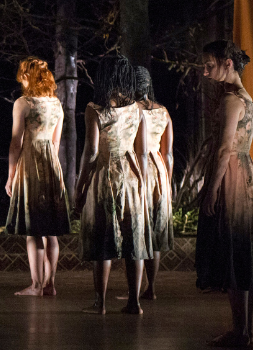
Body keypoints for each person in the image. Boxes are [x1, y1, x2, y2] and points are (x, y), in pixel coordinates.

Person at [195, 39, 253, 348]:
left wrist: (210, 191)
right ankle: (244, 330)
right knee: (245, 250)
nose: (205, 71)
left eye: (210, 65)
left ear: (227, 63)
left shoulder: (231, 100)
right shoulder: (244, 97)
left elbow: (225, 148)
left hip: (233, 178)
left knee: (236, 249)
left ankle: (241, 331)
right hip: (246, 174)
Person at [72, 54, 152, 315]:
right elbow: (142, 152)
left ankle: (100, 303)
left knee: (102, 239)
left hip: (105, 176)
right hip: (130, 175)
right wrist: (143, 180)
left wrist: (80, 186)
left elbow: (92, 151)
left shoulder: (95, 109)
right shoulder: (138, 109)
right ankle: (134, 302)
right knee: (133, 241)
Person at [4, 56, 72, 297]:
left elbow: (16, 142)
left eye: (23, 74)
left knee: (34, 229)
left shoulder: (24, 103)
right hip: (51, 164)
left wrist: (11, 175)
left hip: (30, 163)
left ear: (27, 76)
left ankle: (35, 285)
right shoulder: (56, 104)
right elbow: (55, 142)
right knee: (51, 229)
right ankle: (50, 284)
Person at [134, 65, 174, 300]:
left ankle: (135, 291)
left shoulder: (131, 111)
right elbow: (168, 153)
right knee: (155, 232)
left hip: (139, 169)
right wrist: (166, 180)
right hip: (158, 169)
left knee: (139, 229)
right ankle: (151, 287)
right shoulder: (164, 112)